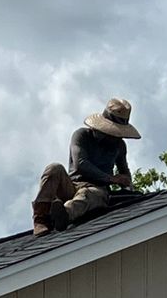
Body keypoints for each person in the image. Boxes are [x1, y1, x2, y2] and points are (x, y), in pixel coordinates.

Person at [32, 97, 140, 234]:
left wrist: (126, 183)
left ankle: (63, 214)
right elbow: (81, 164)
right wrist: (111, 178)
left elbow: (124, 171)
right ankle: (41, 219)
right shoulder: (81, 135)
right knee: (54, 168)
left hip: (97, 190)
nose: (113, 138)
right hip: (72, 186)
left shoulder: (119, 146)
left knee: (89, 194)